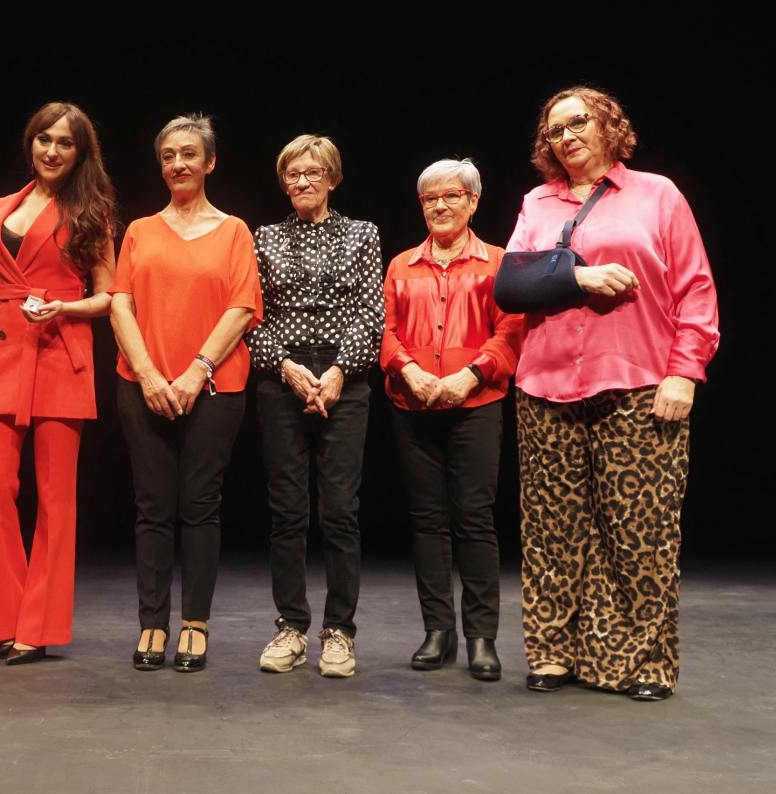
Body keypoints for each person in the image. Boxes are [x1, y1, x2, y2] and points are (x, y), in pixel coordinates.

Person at [506, 86, 718, 700]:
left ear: (608, 127)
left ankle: (645, 664)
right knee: (552, 529)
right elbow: (512, 285)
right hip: (546, 385)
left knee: (640, 529)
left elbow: (696, 290)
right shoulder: (537, 203)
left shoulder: (657, 194)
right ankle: (554, 653)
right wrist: (576, 275)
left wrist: (685, 371)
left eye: (578, 124)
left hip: (637, 380)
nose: (565, 137)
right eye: (553, 131)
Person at [110, 114, 261, 673]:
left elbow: (242, 307)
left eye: (190, 154)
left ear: (210, 162)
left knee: (200, 507)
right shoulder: (141, 231)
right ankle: (152, 623)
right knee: (152, 507)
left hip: (215, 386)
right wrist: (150, 373)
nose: (179, 163)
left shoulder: (234, 230)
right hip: (142, 384)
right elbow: (120, 302)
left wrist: (196, 371)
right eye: (169, 154)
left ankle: (194, 624)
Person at [0, 102, 116, 665]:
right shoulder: (4, 205)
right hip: (1, 354)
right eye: (43, 140)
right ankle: (5, 620)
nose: (52, 151)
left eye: (65, 143)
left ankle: (39, 625)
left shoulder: (91, 210)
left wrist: (63, 308)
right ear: (30, 143)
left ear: (80, 153)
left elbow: (108, 295)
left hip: (59, 351)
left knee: (56, 500)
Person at [381, 158, 523, 681]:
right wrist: (409, 371)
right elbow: (387, 331)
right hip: (412, 404)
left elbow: (510, 332)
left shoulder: (498, 263)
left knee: (475, 520)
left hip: (475, 405)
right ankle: (437, 632)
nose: (440, 206)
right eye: (429, 199)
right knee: (427, 522)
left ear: (472, 202)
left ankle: (481, 638)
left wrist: (469, 377)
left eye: (450, 196)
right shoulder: (401, 265)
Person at [247, 135, 383, 678]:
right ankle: (290, 626)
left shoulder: (362, 234)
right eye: (292, 174)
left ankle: (339, 633)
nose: (302, 182)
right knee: (287, 512)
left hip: (342, 379)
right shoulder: (265, 237)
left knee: (340, 512)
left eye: (312, 172)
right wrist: (284, 366)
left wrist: (337, 373)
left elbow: (372, 312)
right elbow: (251, 314)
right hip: (282, 376)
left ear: (333, 177)